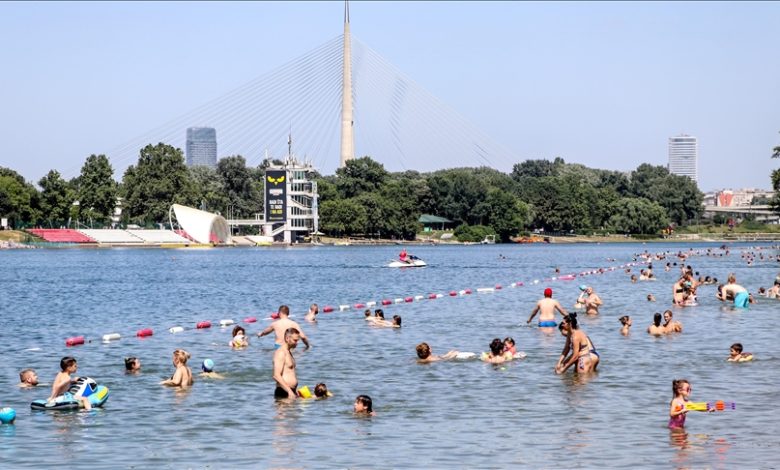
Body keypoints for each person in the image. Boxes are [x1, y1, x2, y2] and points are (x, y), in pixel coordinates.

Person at [272, 328, 300, 400]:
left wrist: (294, 391)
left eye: (297, 340)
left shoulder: (288, 353)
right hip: (283, 391)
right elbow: (276, 375)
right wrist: (289, 391)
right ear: (287, 338)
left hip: (291, 391)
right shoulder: (281, 353)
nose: (297, 343)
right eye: (295, 340)